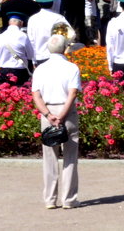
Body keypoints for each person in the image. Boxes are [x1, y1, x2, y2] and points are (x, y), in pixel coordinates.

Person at [32, 34, 81, 210]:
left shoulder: (40, 69)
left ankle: (50, 199)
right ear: (65, 48)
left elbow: (36, 95)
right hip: (66, 111)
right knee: (70, 156)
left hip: (47, 111)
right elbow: (73, 93)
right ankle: (69, 199)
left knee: (49, 157)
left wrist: (47, 114)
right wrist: (62, 115)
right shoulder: (71, 67)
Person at [29, 0, 71, 67]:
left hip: (39, 57)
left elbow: (31, 41)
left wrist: (33, 60)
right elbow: (71, 35)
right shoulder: (58, 18)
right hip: (56, 56)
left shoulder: (32, 19)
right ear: (53, 3)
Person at [0, 11, 36, 86]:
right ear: (21, 23)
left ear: (9, 23)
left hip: (3, 71)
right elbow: (30, 55)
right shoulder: (23, 36)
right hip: (20, 72)